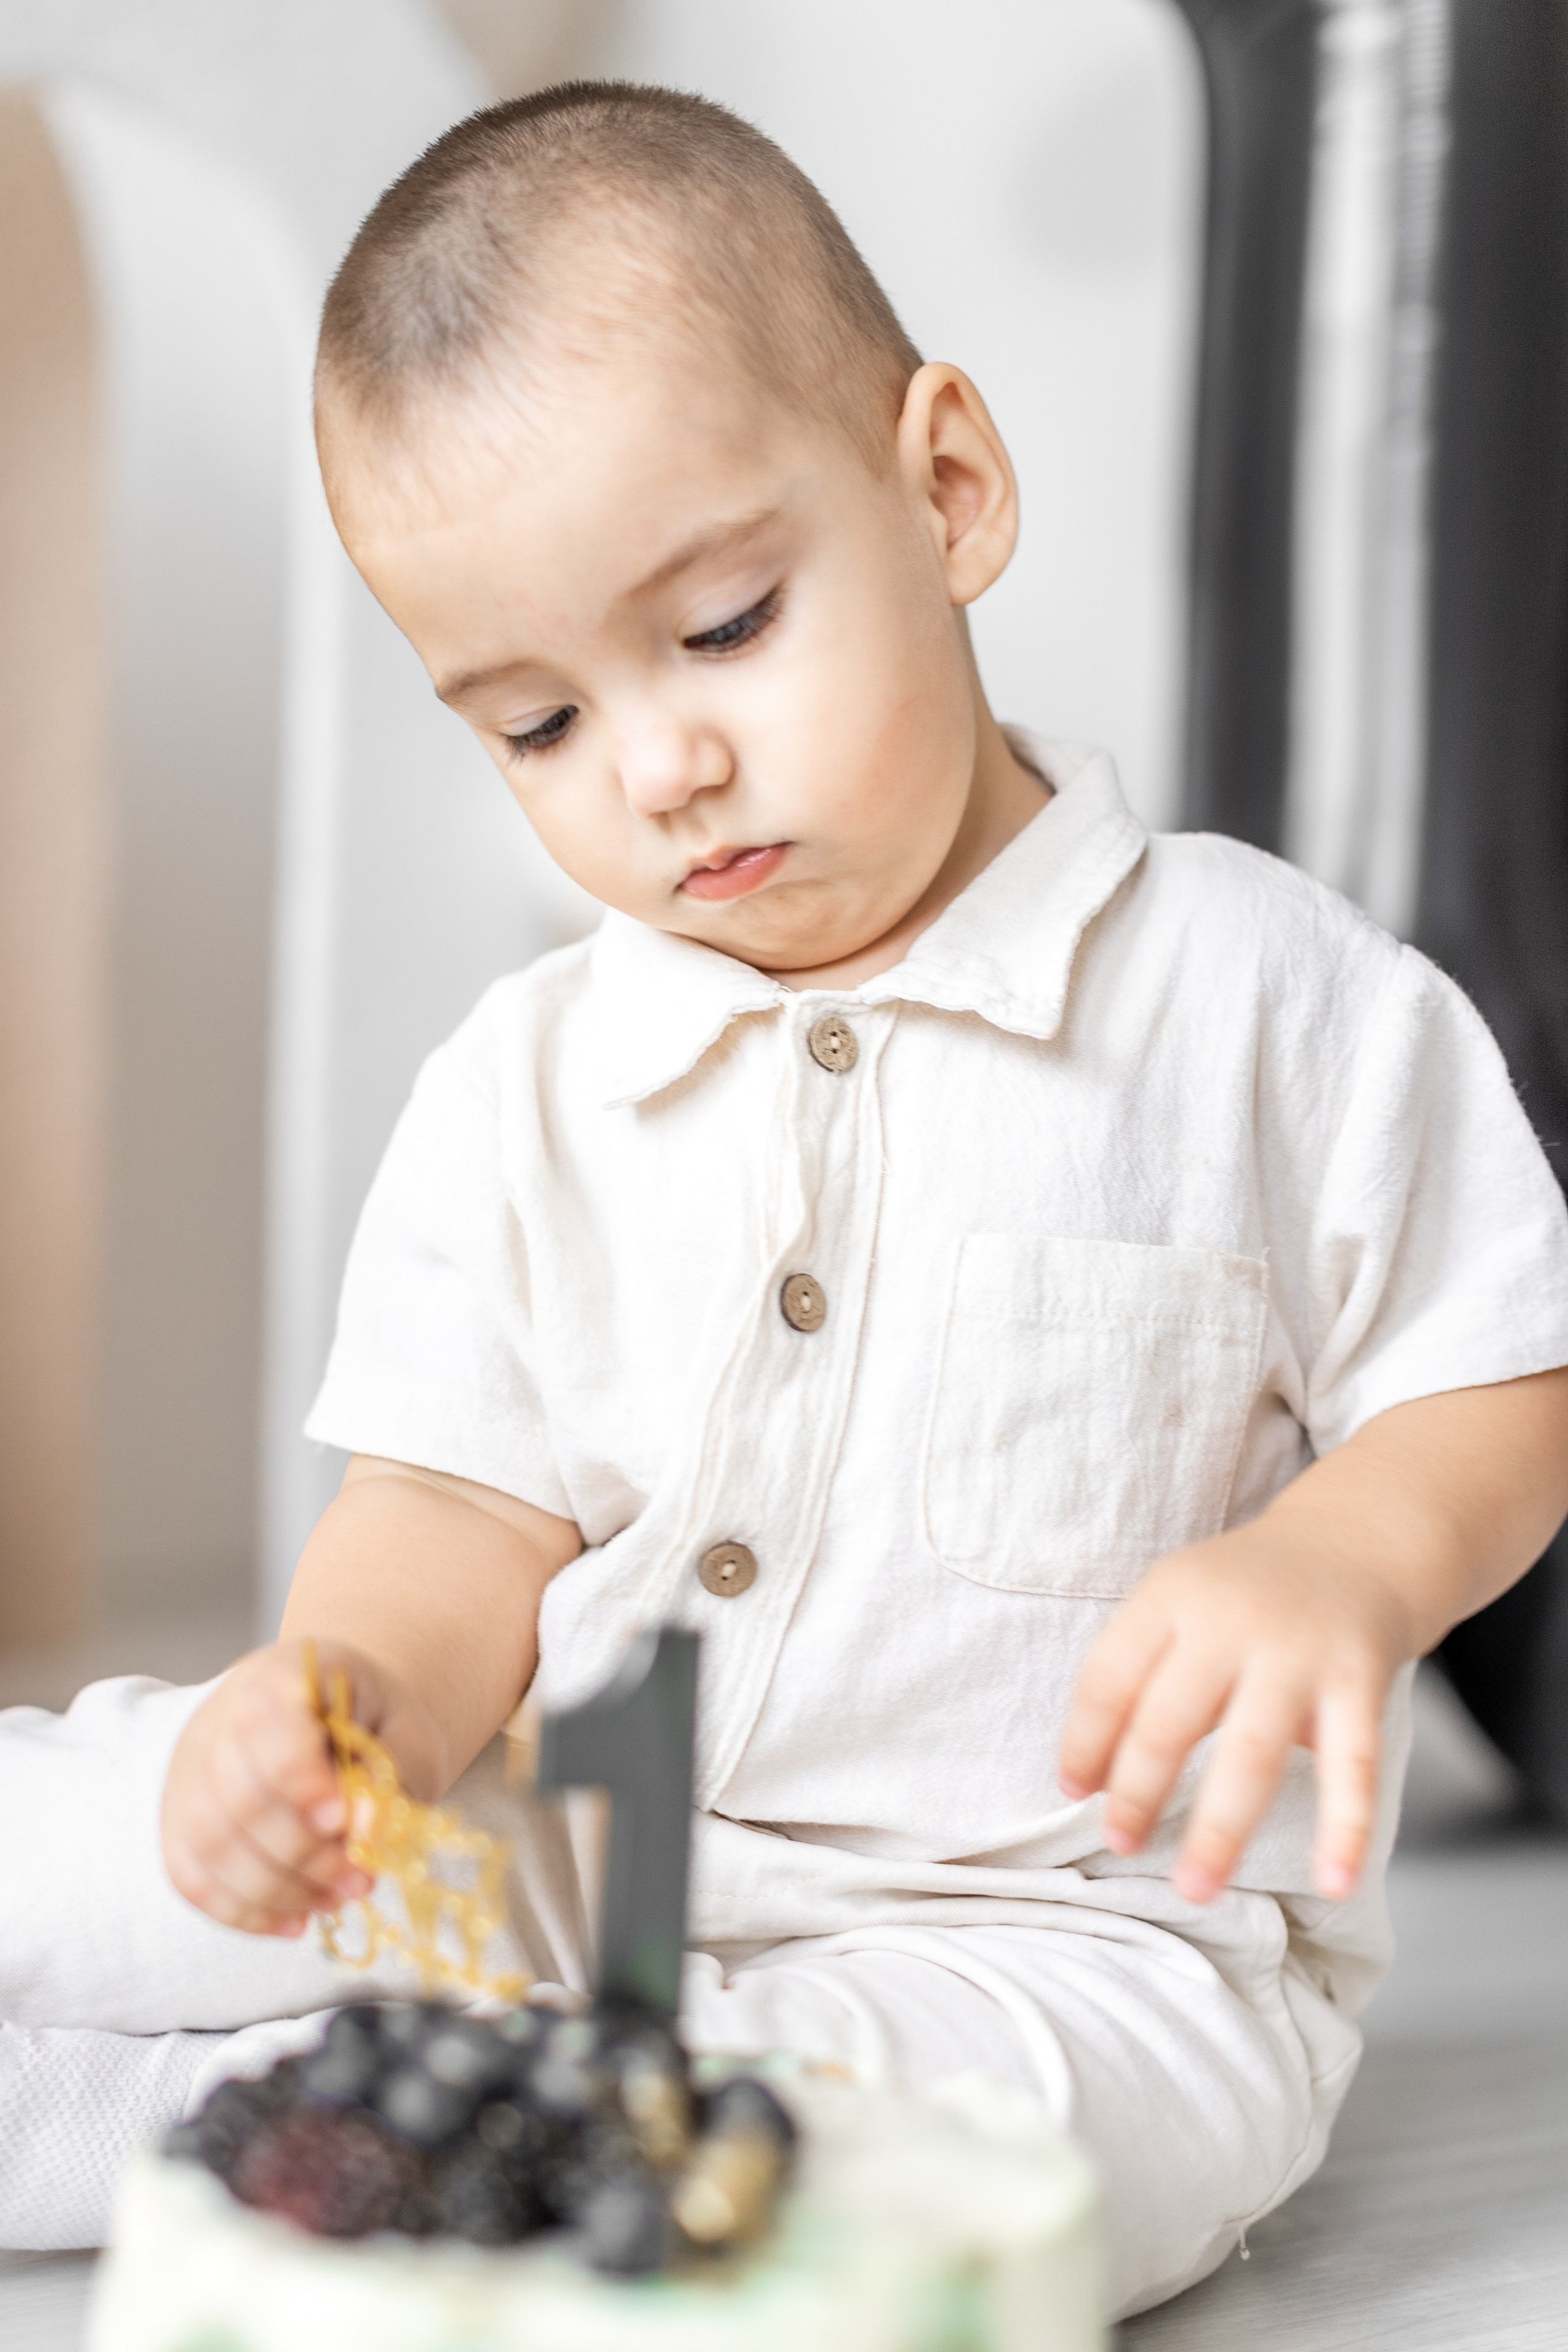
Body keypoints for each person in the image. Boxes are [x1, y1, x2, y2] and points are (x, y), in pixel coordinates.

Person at [144, 83, 1568, 2315]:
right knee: (120, 1826)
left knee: (880, 2106)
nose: (655, 765)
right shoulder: (535, 1081)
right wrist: (343, 1710)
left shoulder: (1260, 993)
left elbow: (1498, 1372)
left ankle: (333, 2121)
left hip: (1076, 1942)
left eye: (721, 625)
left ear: (951, 491)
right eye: (533, 724)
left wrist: (1342, 1561)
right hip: (574, 1864)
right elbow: (453, 1513)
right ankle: (314, 2085)